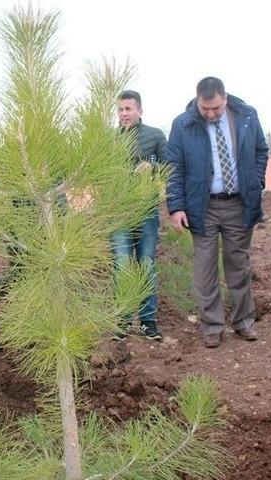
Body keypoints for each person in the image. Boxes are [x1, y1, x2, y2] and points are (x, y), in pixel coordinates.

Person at [166, 76, 268, 348]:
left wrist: (255, 182)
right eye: (205, 108)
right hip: (202, 206)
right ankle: (212, 326)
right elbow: (173, 167)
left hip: (239, 204)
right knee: (205, 269)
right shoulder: (183, 124)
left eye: (216, 109)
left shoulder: (246, 116)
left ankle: (244, 322)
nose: (210, 114)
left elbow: (261, 151)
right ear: (198, 100)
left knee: (239, 265)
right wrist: (176, 206)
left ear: (225, 98)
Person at [110, 90, 167, 341]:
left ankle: (148, 320)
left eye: (128, 109)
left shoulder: (155, 136)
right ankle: (122, 320)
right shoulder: (109, 140)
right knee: (122, 266)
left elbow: (170, 167)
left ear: (140, 111)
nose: (124, 114)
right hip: (118, 213)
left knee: (146, 264)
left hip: (146, 211)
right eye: (121, 109)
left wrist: (152, 168)